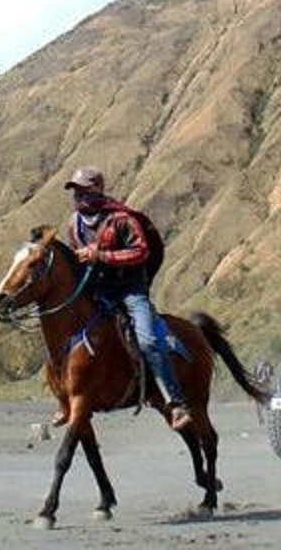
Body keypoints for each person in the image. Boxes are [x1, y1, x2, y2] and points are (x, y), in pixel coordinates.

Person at [62, 165, 191, 432]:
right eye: (75, 192)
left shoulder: (122, 218)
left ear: (97, 189)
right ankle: (66, 398)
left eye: (84, 191)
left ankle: (176, 402)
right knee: (65, 334)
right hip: (98, 290)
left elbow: (140, 251)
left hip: (130, 290)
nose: (78, 197)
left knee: (147, 339)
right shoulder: (74, 224)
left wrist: (101, 256)